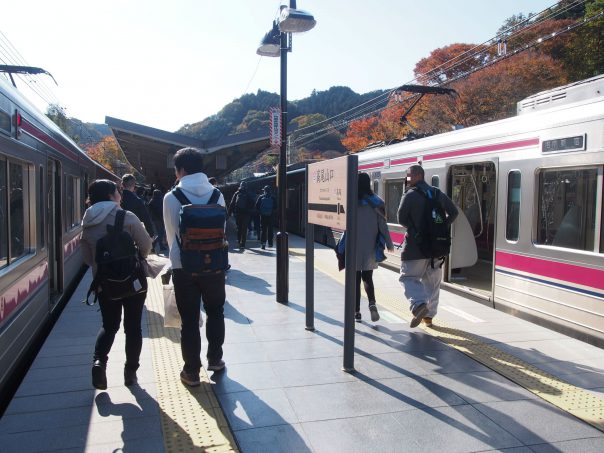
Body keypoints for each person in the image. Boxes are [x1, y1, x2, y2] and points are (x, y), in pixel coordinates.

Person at [163, 147, 227, 387]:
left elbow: (171, 237)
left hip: (184, 267)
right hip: (215, 265)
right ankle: (215, 359)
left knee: (189, 320)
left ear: (180, 170)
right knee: (216, 312)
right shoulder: (217, 195)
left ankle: (191, 372)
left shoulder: (171, 197)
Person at [80, 179, 152, 389]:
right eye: (118, 192)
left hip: (104, 283)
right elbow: (146, 245)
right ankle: (130, 372)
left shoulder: (87, 220)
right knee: (133, 327)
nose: (120, 195)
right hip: (133, 282)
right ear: (112, 195)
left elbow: (87, 258)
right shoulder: (126, 216)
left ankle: (99, 362)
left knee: (109, 325)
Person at [397, 164, 458, 328]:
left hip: (415, 247)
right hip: (437, 247)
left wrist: (416, 227)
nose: (407, 179)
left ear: (417, 176)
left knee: (408, 277)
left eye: (409, 176)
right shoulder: (438, 193)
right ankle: (429, 317)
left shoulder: (410, 195)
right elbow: (454, 212)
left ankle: (418, 305)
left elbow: (401, 219)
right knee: (432, 282)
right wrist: (441, 227)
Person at [354, 173, 394, 322]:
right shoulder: (378, 202)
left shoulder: (351, 201)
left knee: (355, 280)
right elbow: (383, 225)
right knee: (368, 278)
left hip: (354, 246)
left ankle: (356, 312)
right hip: (370, 246)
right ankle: (372, 304)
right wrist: (389, 243)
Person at [227, 182, 254, 249]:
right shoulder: (248, 193)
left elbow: (232, 203)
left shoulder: (236, 193)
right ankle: (243, 244)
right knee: (244, 229)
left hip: (238, 213)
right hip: (246, 214)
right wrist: (250, 211)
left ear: (240, 186)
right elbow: (253, 203)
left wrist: (229, 213)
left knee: (239, 228)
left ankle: (239, 241)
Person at [255, 185, 276, 249]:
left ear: (264, 190)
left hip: (263, 216)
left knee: (263, 230)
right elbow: (276, 207)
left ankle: (263, 244)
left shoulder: (261, 197)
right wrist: (272, 212)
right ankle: (270, 244)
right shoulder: (273, 198)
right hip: (271, 216)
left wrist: (261, 212)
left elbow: (256, 206)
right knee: (270, 230)